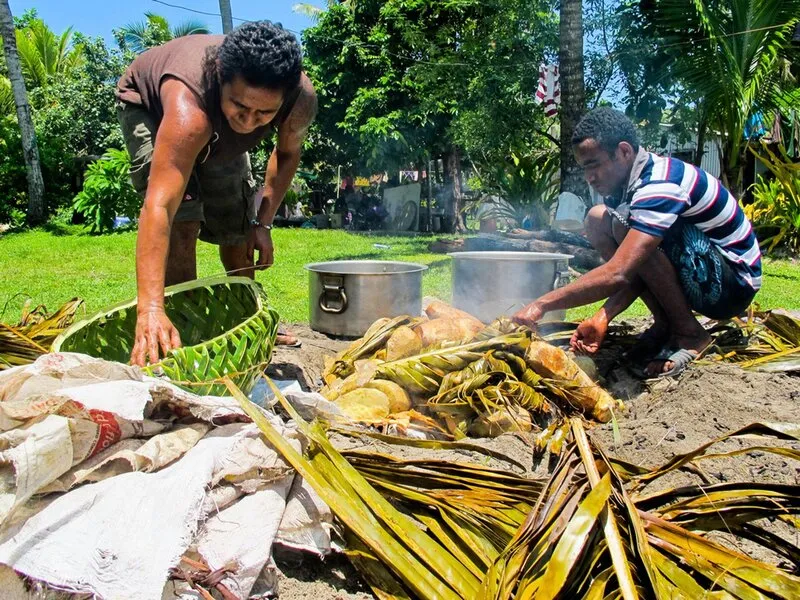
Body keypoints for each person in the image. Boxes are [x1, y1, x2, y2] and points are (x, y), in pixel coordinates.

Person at [116, 21, 316, 366]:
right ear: (221, 77)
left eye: (264, 113)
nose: (249, 121)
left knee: (237, 224)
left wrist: (263, 223)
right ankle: (182, 326)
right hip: (149, 107)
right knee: (183, 220)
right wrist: (149, 307)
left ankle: (250, 316)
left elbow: (287, 154)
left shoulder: (300, 100)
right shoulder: (189, 108)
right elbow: (161, 205)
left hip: (213, 120)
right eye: (240, 106)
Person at [513, 108, 762, 377]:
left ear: (623, 152)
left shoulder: (660, 183)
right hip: (702, 272)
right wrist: (602, 317)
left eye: (594, 164)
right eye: (585, 168)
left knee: (624, 226)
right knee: (599, 219)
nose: (590, 177)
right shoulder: (625, 188)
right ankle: (666, 323)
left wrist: (542, 304)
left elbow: (620, 272)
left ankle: (691, 335)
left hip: (732, 285)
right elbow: (635, 268)